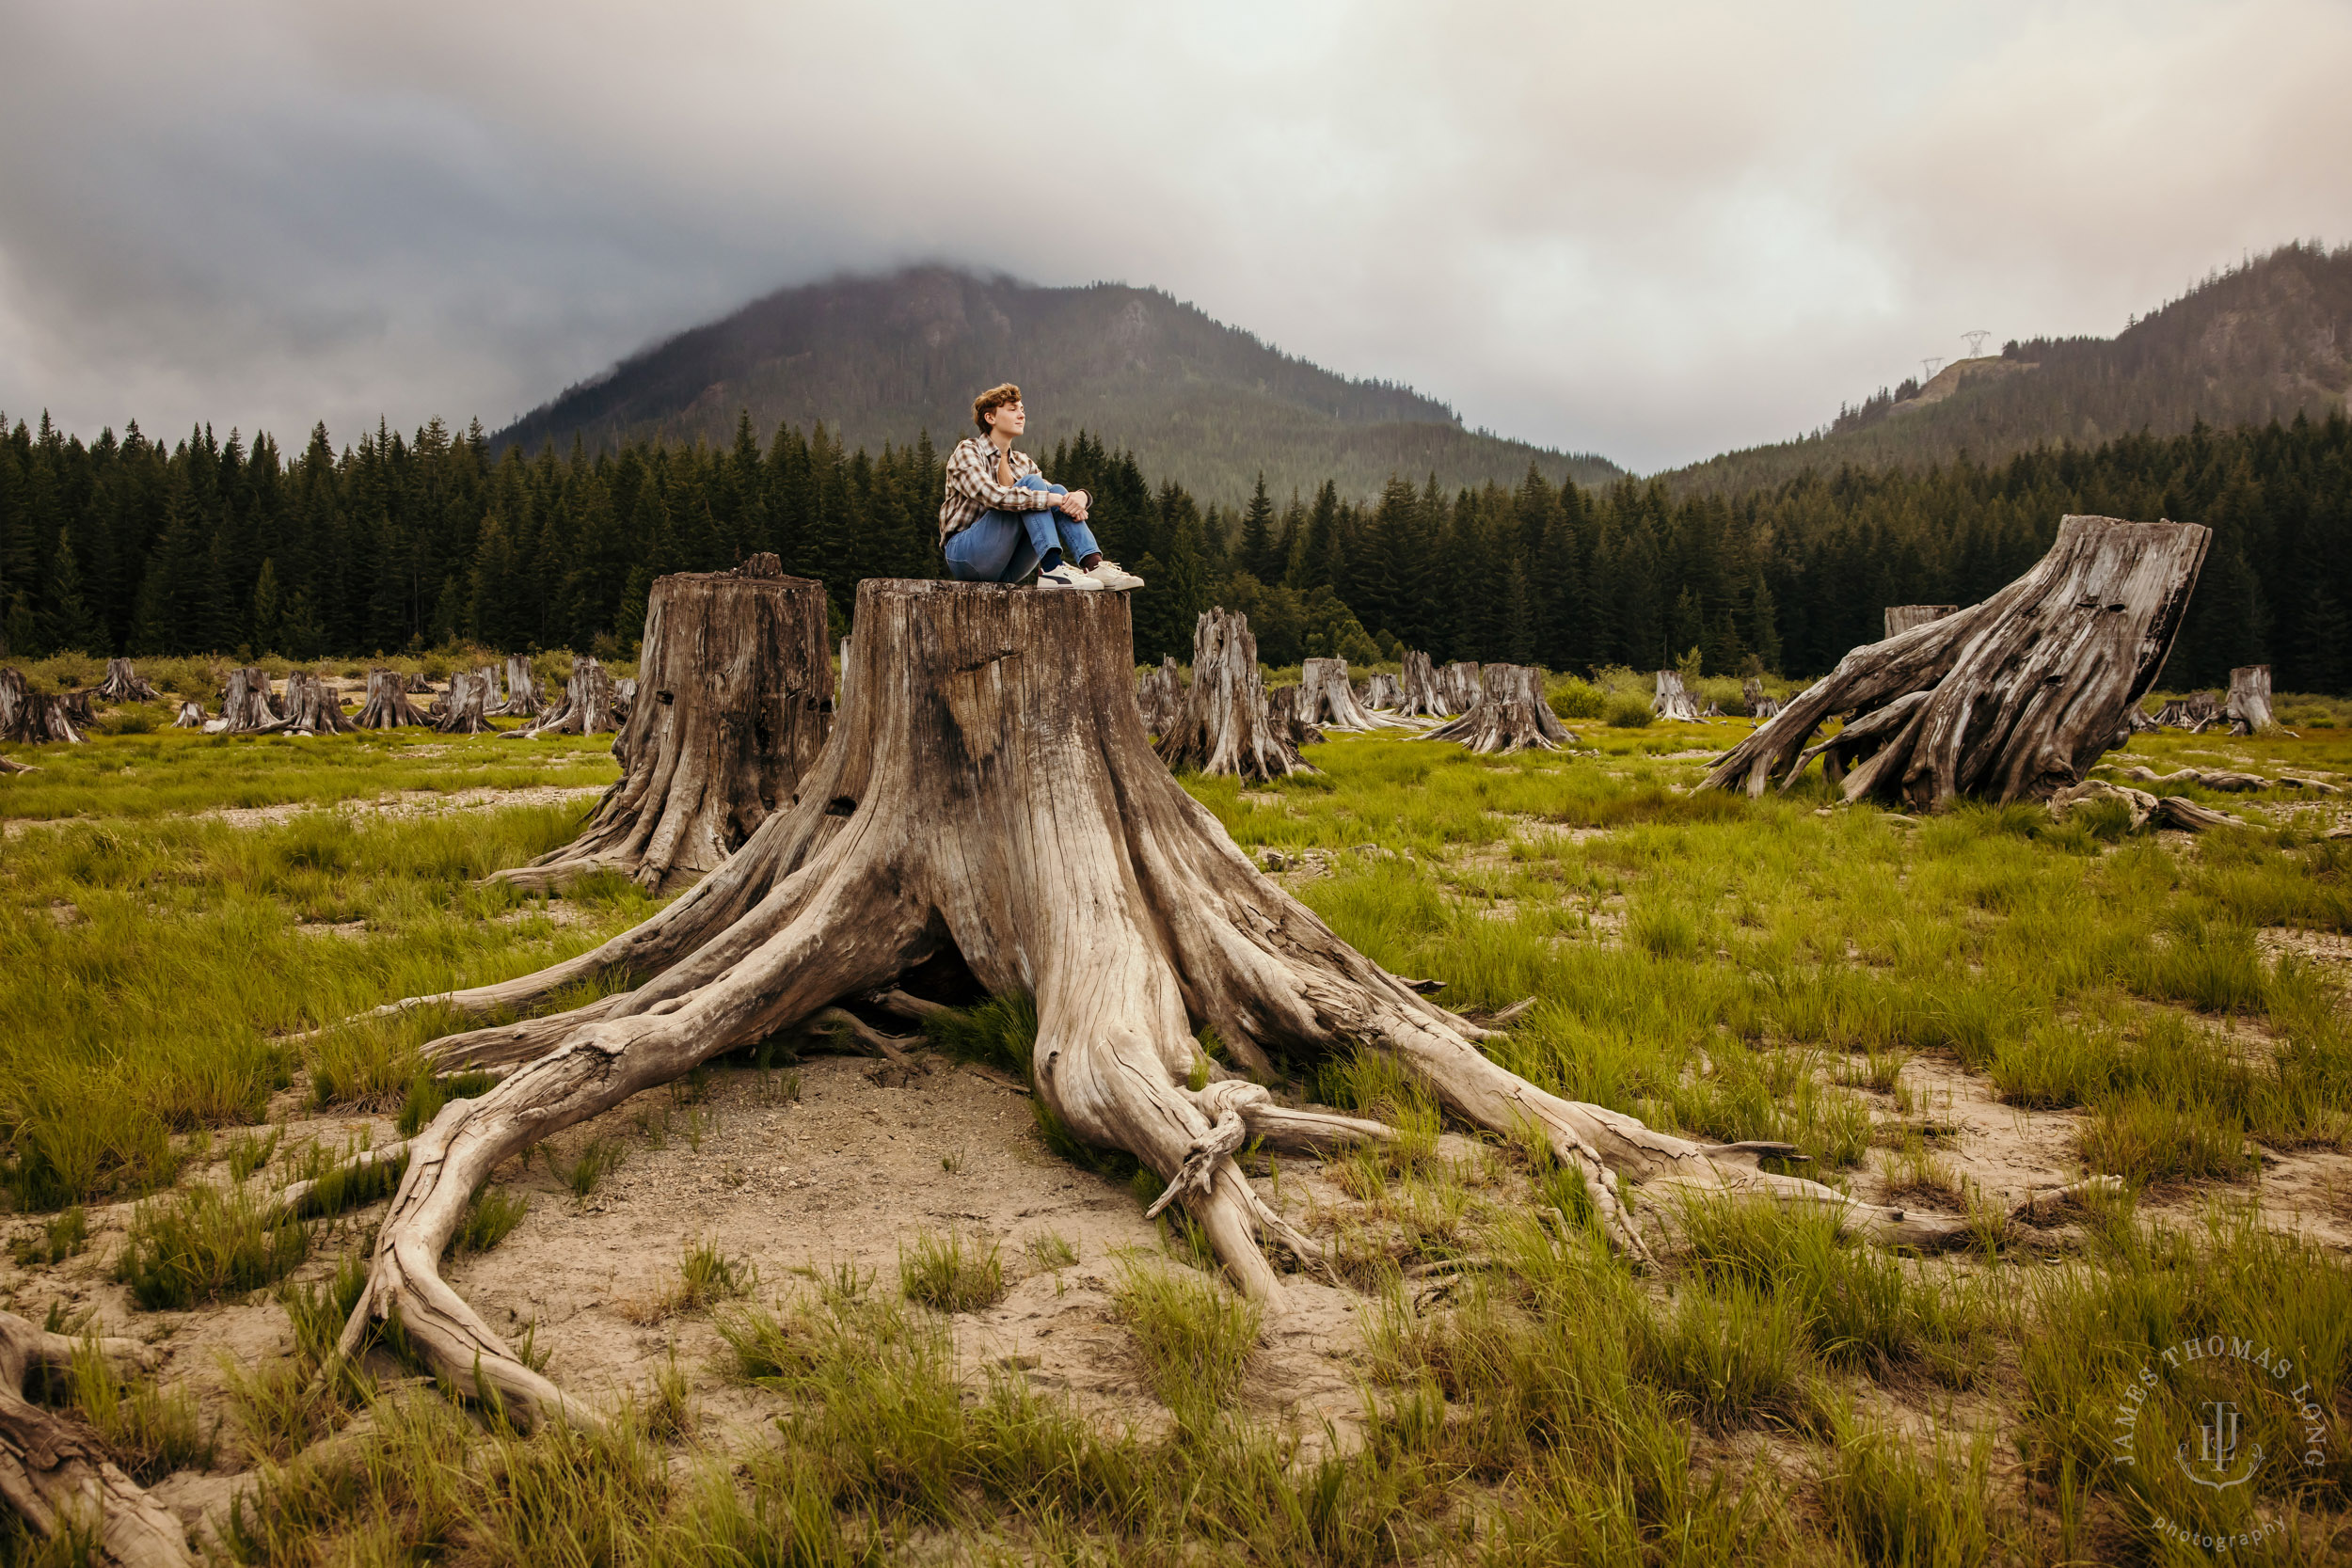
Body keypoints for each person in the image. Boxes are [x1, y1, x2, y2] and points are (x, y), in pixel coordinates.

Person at [939, 384, 1145, 591]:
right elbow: (990, 495)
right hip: (966, 557)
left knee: (1052, 490)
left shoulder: (1022, 462)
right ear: (990, 418)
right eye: (1012, 410)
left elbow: (1054, 495)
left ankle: (1093, 564)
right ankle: (1052, 568)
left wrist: (1081, 497)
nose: (1021, 415)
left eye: (1022, 410)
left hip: (1009, 568)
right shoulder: (969, 450)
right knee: (1034, 487)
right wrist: (1048, 498)